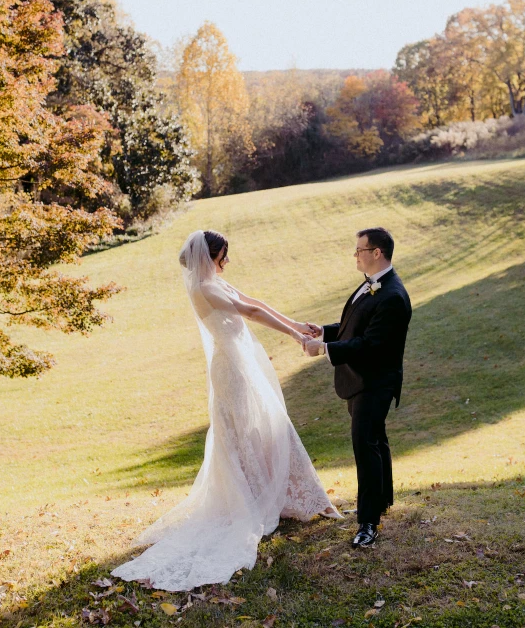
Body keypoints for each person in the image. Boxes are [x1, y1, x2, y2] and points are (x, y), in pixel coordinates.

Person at [112, 230, 340, 591]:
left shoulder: (214, 281)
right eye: (223, 256)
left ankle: (281, 494)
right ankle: (264, 497)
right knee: (251, 430)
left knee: (263, 426)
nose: (227, 263)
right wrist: (296, 338)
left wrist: (297, 324)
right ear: (210, 257)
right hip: (232, 369)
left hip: (241, 362)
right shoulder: (204, 288)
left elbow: (255, 301)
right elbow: (249, 311)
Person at [302, 227, 412, 548]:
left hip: (375, 382)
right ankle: (380, 503)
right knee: (376, 440)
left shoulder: (392, 295)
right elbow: (353, 328)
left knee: (365, 446)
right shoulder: (371, 286)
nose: (356, 255)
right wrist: (323, 331)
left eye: (359, 250)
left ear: (376, 253)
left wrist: (323, 349)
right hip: (364, 380)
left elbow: (370, 344)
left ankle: (368, 524)